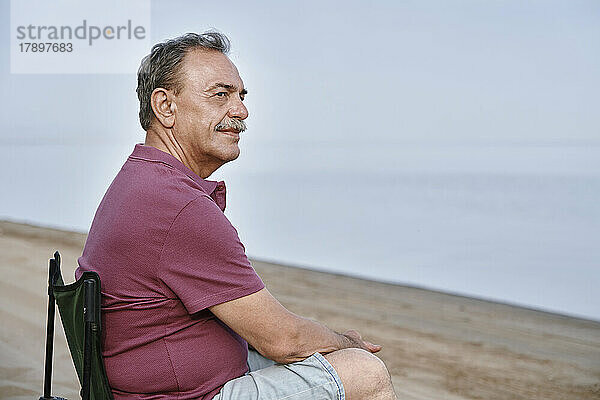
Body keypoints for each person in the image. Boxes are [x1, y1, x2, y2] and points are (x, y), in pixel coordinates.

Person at [76, 31, 397, 400]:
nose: (241, 110)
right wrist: (345, 342)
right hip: (183, 395)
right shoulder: (177, 206)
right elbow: (282, 338)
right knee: (364, 373)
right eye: (221, 94)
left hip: (161, 383)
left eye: (241, 96)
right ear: (165, 107)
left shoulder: (141, 180)